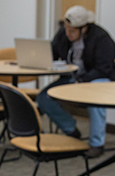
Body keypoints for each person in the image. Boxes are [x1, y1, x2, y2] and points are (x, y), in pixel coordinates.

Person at [37, 5, 115, 158]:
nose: (68, 33)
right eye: (66, 29)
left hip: (96, 78)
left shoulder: (101, 38)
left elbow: (104, 68)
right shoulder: (63, 34)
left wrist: (82, 80)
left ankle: (96, 144)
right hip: (72, 78)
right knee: (44, 98)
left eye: (72, 31)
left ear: (84, 28)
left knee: (95, 98)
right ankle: (71, 129)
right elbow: (52, 53)